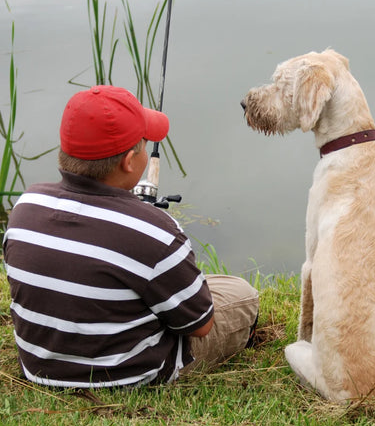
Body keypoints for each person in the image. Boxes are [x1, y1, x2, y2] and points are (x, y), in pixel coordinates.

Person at [3, 85, 259, 388]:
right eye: (143, 143)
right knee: (241, 294)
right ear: (128, 161)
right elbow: (200, 326)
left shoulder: (26, 206)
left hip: (39, 367)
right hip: (131, 376)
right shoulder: (154, 232)